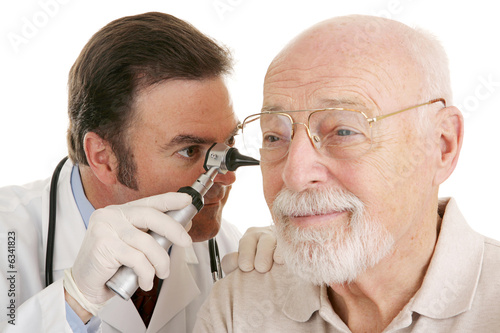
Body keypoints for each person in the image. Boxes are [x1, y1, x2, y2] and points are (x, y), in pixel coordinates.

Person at [194, 15, 500, 332]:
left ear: (442, 145)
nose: (295, 175)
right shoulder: (238, 307)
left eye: (343, 131)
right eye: (274, 137)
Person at [0, 12, 276, 333]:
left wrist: (298, 286)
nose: (226, 177)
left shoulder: (229, 249)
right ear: (103, 158)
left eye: (227, 142)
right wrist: (74, 301)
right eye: (189, 150)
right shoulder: (9, 234)